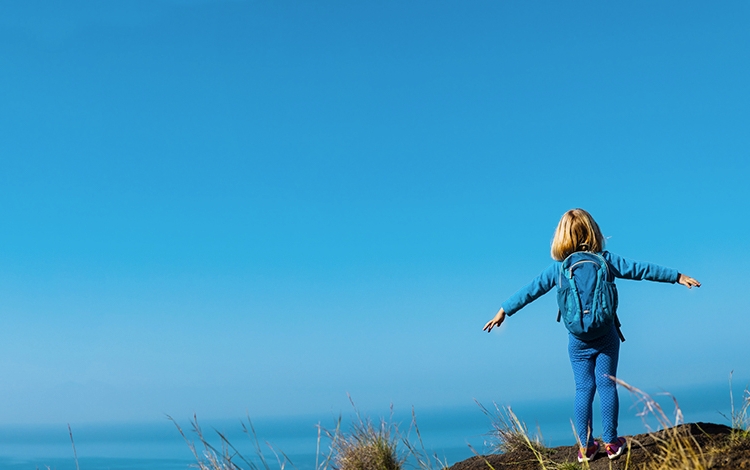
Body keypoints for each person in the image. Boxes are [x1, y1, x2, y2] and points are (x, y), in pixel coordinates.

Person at [482, 208, 700, 462]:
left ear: (561, 237)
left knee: (583, 387)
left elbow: (530, 291)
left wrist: (503, 310)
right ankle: (610, 443)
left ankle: (586, 448)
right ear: (593, 231)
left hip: (577, 339)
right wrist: (677, 277)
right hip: (606, 334)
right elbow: (641, 269)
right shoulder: (605, 260)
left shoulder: (559, 269)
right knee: (607, 384)